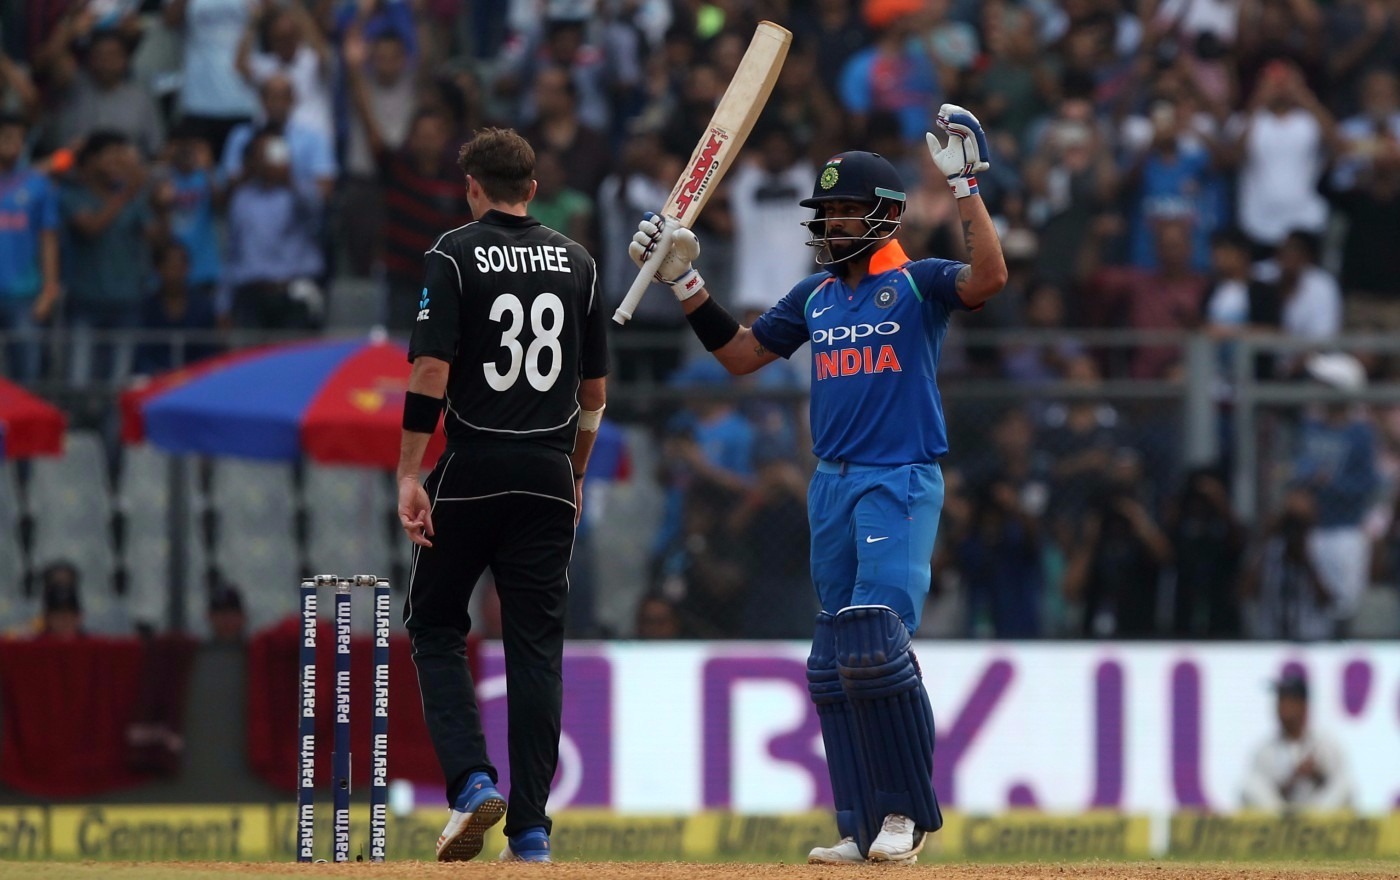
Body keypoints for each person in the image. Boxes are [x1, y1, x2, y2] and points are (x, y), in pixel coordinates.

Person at [628, 103, 1007, 864]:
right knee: (834, 660)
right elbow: (740, 356)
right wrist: (686, 280)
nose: (831, 224)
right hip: (829, 485)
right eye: (826, 212)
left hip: (897, 479)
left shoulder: (918, 282)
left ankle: (905, 814)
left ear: (884, 215)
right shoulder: (816, 296)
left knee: (876, 640)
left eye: (844, 211)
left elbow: (990, 277)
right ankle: (859, 823)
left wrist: (965, 188)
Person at [395, 127, 607, 865]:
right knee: (536, 651)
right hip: (548, 473)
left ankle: (471, 781)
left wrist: (409, 473)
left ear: (473, 188)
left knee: (434, 624)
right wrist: (575, 473)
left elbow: (430, 371)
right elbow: (593, 395)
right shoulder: (578, 262)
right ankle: (531, 832)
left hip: (475, 466)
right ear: (534, 189)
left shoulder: (453, 253)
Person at [1241, 673, 1354, 810]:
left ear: (1303, 706)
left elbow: (1340, 787)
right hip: (1280, 813)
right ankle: (1286, 822)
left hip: (1317, 812)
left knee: (1345, 784)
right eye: (1280, 702)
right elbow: (1262, 792)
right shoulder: (1265, 750)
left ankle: (1312, 822)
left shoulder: (1325, 744)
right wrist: (1293, 779)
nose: (1282, 708)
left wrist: (1316, 774)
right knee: (1250, 785)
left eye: (1288, 701)